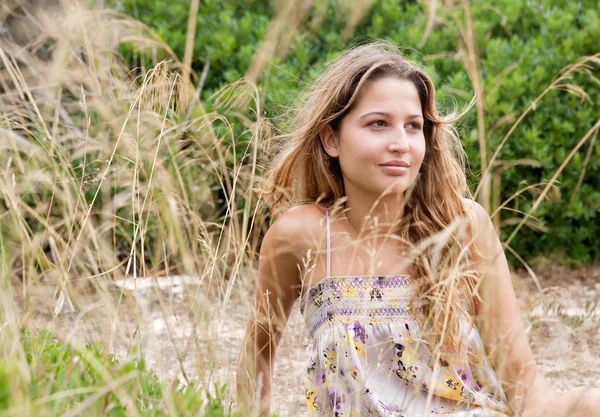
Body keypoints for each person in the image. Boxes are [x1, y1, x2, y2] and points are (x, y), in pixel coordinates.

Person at [236, 40, 600, 417]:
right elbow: (257, 355)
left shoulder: (461, 225)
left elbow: (522, 381)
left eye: (413, 126)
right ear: (331, 139)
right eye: (378, 124)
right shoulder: (299, 235)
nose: (401, 144)